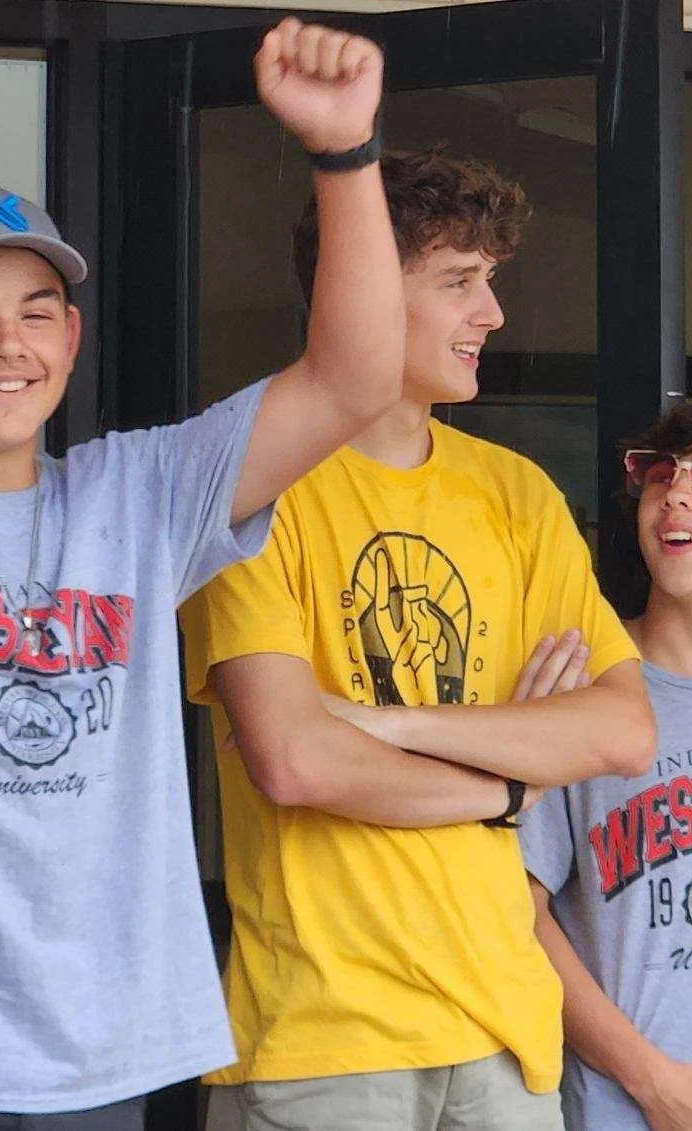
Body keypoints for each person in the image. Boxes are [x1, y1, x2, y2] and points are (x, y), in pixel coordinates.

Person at [0, 21, 407, 1129]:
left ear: (71, 338)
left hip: (109, 1051)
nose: (7, 345)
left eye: (34, 313)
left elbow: (354, 379)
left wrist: (345, 154)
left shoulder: (141, 494)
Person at [179, 147, 656, 1131]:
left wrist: (384, 725)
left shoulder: (517, 494)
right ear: (355, 284)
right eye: (459, 281)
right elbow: (297, 761)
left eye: (490, 280)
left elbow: (621, 732)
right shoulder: (250, 484)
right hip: (323, 1038)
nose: (493, 313)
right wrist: (511, 781)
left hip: (506, 1031)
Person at [519, 405, 692, 1131]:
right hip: (618, 1108)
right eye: (663, 474)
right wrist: (653, 1082)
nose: (676, 494)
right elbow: (518, 911)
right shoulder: (586, 682)